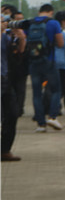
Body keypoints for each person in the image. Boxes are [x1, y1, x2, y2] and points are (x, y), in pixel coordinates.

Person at [27, 4, 65, 132]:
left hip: (34, 62)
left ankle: (40, 124)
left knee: (36, 93)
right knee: (56, 90)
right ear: (51, 12)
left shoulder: (29, 23)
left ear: (39, 12)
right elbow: (60, 44)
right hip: (49, 61)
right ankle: (52, 117)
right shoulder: (53, 23)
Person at [2, 16, 26, 160]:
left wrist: (21, 37)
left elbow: (19, 52)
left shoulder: (5, 38)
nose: (5, 23)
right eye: (2, 21)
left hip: (5, 79)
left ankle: (4, 149)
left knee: (12, 113)